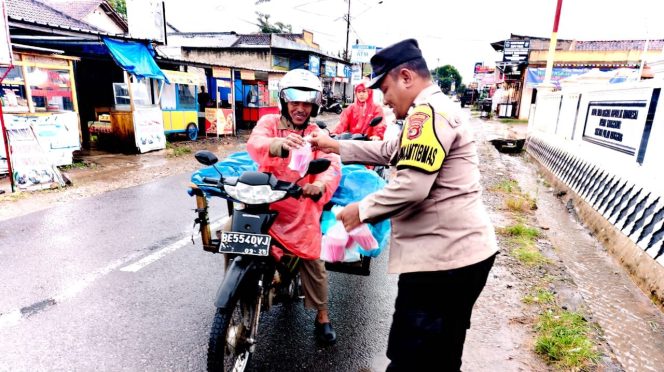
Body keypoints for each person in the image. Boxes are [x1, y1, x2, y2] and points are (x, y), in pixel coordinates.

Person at [310, 39, 498, 370]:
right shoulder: (429, 112)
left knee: (412, 357)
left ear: (406, 77)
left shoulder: (428, 115)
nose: (384, 99)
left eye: (385, 88)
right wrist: (334, 144)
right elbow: (388, 150)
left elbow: (412, 187)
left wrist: (361, 211)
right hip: (457, 256)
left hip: (443, 264)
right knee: (440, 353)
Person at [246, 68, 342, 345]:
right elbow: (255, 143)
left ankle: (322, 315)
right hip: (265, 200)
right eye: (295, 102)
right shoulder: (269, 123)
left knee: (312, 257)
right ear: (285, 102)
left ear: (314, 105)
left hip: (301, 203)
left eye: (306, 103)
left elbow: (333, 165)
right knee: (232, 232)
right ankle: (242, 288)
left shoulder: (317, 134)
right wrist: (279, 144)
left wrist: (320, 186)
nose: (300, 109)